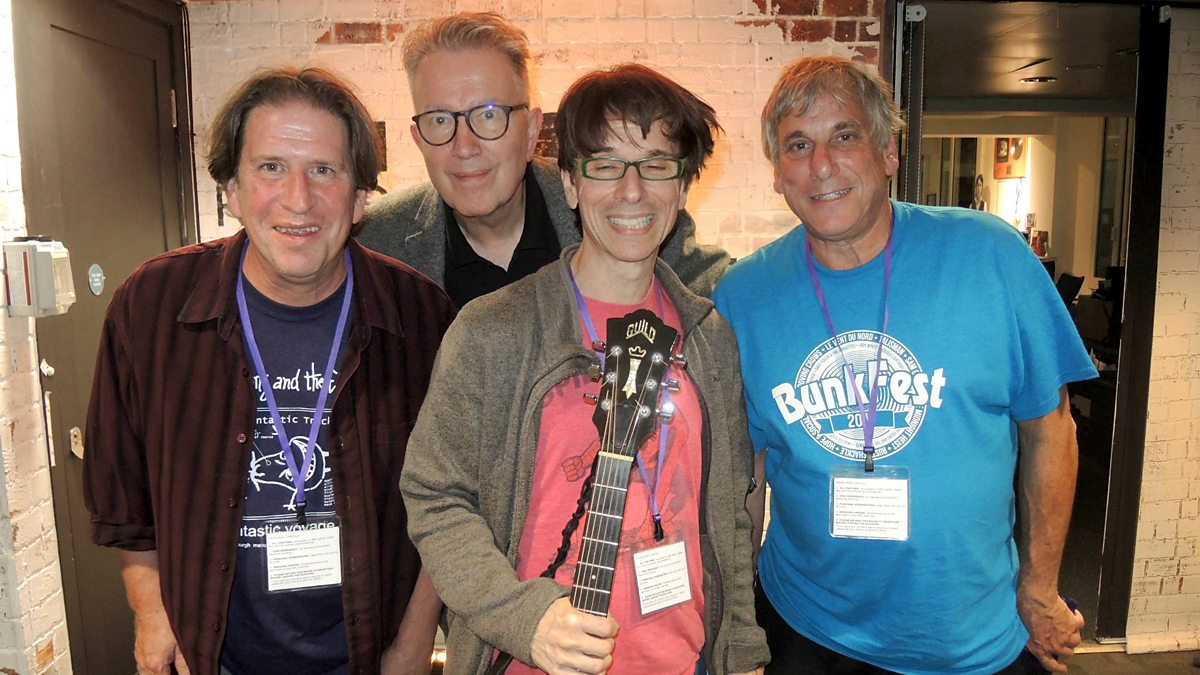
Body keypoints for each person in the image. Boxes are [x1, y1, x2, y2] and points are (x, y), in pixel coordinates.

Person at [711, 56, 1098, 675]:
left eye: (844, 136)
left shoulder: (989, 256)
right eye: (798, 145)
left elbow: (1051, 430)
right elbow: (745, 473)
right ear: (778, 174)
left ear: (888, 151)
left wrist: (1039, 587)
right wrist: (738, 623)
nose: (821, 165)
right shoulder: (742, 296)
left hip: (971, 636)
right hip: (808, 628)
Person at [83, 67, 455, 675]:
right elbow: (122, 488)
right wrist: (150, 611)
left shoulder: (420, 318)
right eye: (271, 167)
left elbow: (450, 500)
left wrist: (413, 646)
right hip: (212, 656)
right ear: (231, 189)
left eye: (324, 170)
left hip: (372, 654)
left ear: (361, 197)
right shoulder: (152, 306)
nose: (298, 199)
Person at [400, 63, 769, 675]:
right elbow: (436, 498)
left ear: (682, 186)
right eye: (605, 165)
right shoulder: (493, 331)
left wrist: (741, 650)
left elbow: (728, 516)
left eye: (656, 164)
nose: (632, 191)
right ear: (571, 183)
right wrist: (525, 618)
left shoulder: (709, 338)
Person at [355, 11, 729, 306]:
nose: (464, 147)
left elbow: (718, 290)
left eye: (489, 116)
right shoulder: (374, 241)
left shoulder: (606, 203)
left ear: (533, 131)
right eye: (439, 120)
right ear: (418, 139)